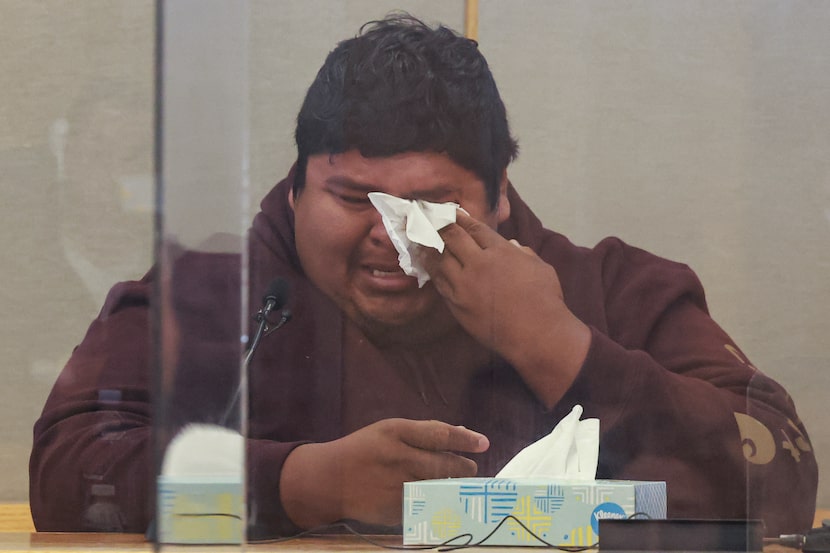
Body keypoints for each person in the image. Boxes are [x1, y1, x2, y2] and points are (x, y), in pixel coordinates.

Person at [30, 14, 817, 539]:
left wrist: (564, 349)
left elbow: (779, 479)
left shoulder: (611, 290)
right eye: (353, 199)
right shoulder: (209, 298)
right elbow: (69, 474)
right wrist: (299, 483)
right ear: (297, 186)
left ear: (499, 195)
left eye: (431, 206)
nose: (390, 239)